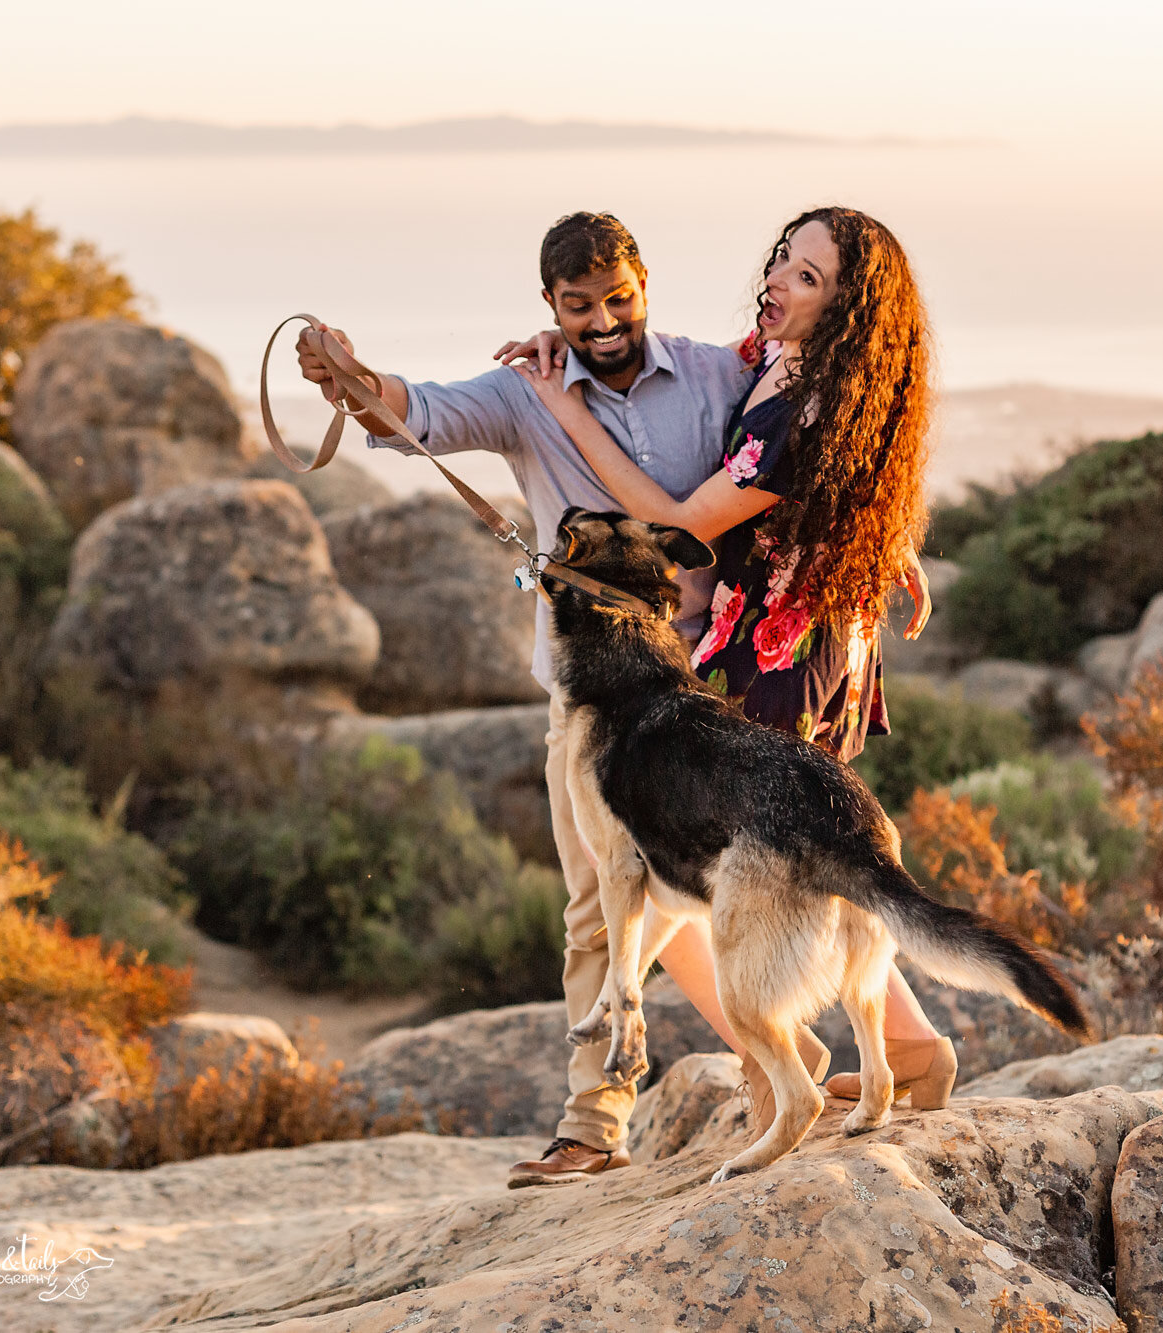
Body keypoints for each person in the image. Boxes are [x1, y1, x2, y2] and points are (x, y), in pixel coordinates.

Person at [296, 212, 832, 1190]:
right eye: (578, 306)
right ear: (549, 307)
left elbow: (797, 448)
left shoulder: (714, 375)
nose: (602, 321)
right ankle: (593, 1125)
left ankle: (797, 1070)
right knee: (595, 908)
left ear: (642, 284)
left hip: (708, 684)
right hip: (590, 706)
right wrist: (349, 377)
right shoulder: (522, 391)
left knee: (766, 882)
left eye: (617, 297)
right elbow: (413, 414)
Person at [503, 205, 957, 1122]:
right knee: (786, 868)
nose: (778, 282)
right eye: (783, 260)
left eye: (807, 277)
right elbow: (838, 474)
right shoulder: (781, 353)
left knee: (690, 889)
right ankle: (907, 1053)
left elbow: (678, 523)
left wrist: (564, 405)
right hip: (773, 626)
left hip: (784, 648)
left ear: (849, 309)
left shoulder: (812, 399)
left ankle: (785, 1071)